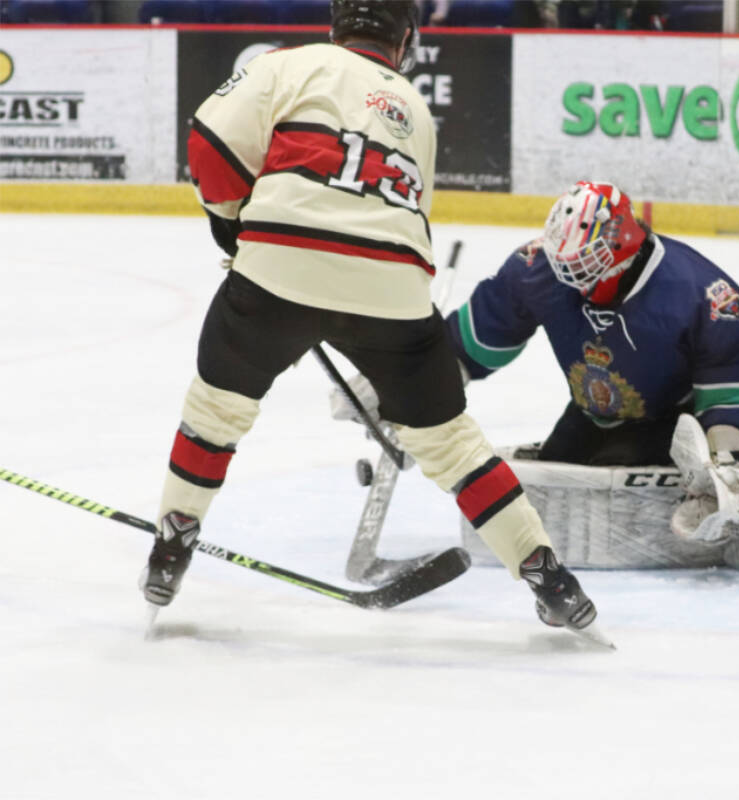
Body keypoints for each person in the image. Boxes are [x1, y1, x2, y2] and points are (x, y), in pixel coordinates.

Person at [141, 0, 599, 634]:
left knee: (216, 410)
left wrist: (232, 222)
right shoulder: (415, 109)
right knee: (452, 445)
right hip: (394, 289)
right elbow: (406, 220)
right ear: (405, 38)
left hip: (279, 266)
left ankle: (173, 541)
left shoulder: (287, 64)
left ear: (337, 24)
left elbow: (210, 141)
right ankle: (548, 575)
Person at [333, 180, 739, 571]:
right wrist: (405, 379)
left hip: (674, 423)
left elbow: (735, 375)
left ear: (622, 250)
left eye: (583, 264)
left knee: (651, 499)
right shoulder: (540, 269)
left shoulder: (701, 293)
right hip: (592, 412)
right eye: (564, 262)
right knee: (551, 490)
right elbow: (473, 343)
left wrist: (729, 462)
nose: (568, 275)